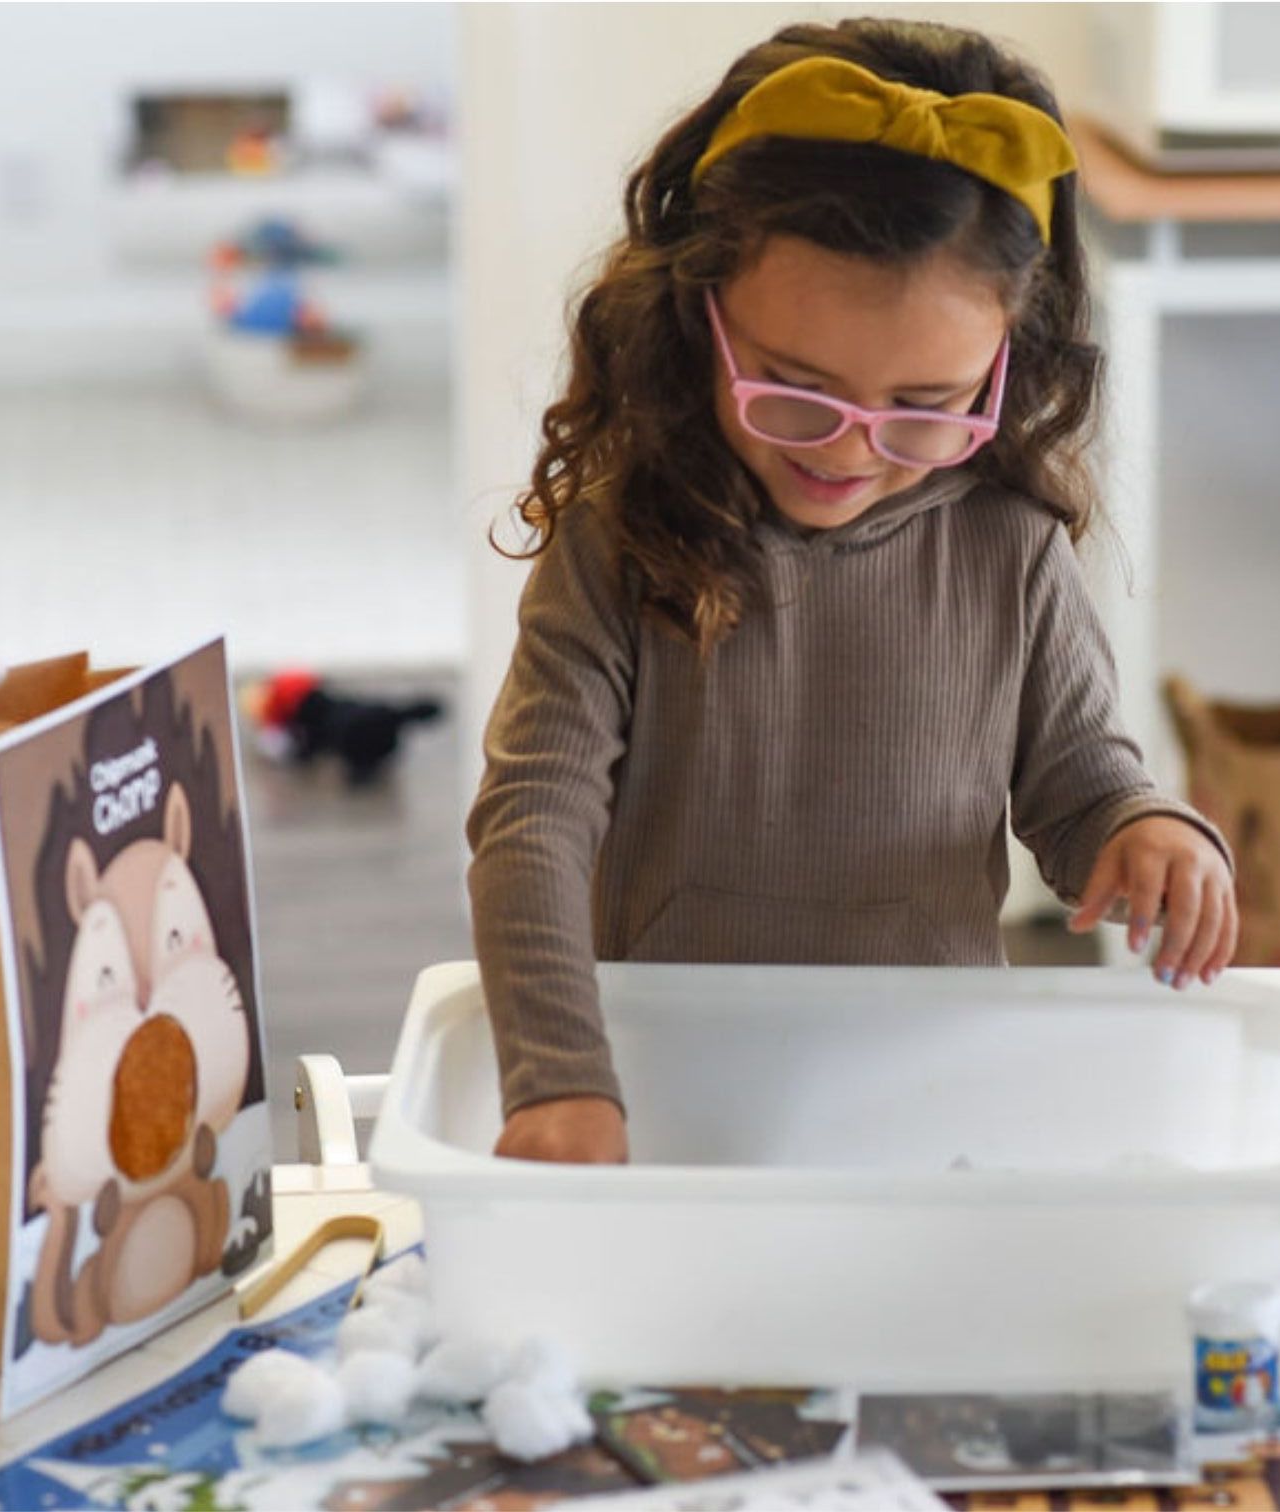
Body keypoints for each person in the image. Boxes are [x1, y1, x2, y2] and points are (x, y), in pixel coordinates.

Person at [469, 18, 1237, 1165]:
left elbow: (1079, 793)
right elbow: (534, 821)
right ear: (701, 310)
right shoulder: (619, 542)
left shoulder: (1012, 548)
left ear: (1006, 362)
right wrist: (558, 1078)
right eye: (793, 388)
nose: (850, 451)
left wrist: (1149, 830)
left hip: (928, 1087)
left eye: (928, 405)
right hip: (668, 1082)